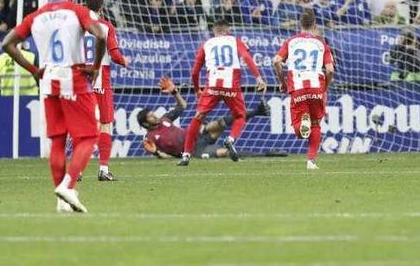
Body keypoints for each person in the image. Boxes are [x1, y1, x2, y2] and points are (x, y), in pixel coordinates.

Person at [0, 0, 108, 213]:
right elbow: (101, 34)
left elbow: (7, 43)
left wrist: (34, 70)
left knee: (57, 140)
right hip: (74, 76)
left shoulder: (35, 16)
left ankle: (61, 201)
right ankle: (68, 186)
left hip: (49, 79)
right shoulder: (77, 11)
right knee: (89, 136)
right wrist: (96, 67)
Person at [179, 17, 267, 166]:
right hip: (231, 85)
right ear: (228, 30)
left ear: (213, 31)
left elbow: (194, 72)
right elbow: (246, 57)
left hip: (212, 86)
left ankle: (186, 155)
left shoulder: (206, 44)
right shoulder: (235, 40)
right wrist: (258, 78)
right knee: (240, 116)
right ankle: (230, 139)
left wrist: (197, 90)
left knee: (198, 118)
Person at [139, 77, 269, 159]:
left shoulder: (164, 119)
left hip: (198, 135)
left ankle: (258, 110)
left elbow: (182, 106)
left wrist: (175, 92)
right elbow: (166, 157)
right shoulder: (149, 138)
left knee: (219, 123)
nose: (154, 116)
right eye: (150, 117)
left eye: (152, 113)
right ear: (145, 123)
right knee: (224, 153)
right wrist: (156, 153)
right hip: (194, 150)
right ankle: (265, 155)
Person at [272, 9, 334, 170]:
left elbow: (276, 61)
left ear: (300, 24)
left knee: (300, 131)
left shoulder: (291, 41)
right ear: (314, 25)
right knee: (315, 125)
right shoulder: (322, 44)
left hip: (298, 88)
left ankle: (302, 127)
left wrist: (283, 82)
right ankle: (311, 161)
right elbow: (330, 70)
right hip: (316, 87)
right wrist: (324, 89)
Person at [82, 0, 128, 181]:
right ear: (101, 8)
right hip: (100, 80)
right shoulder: (105, 26)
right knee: (105, 125)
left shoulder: (78, 25)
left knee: (81, 126)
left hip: (80, 81)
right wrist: (125, 61)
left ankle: (77, 170)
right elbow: (115, 56)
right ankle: (103, 169)